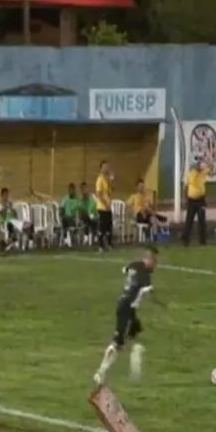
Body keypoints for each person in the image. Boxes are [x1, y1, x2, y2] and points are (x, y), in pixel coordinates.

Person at [94, 245, 161, 385]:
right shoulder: (145, 277)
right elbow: (150, 294)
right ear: (147, 259)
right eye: (154, 261)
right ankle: (101, 372)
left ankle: (134, 359)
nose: (156, 265)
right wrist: (160, 304)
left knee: (136, 332)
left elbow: (124, 270)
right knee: (117, 342)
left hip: (126, 306)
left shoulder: (133, 265)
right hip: (126, 308)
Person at [182, 159, 209, 246]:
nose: (200, 167)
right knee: (189, 220)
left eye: (200, 165)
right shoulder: (190, 174)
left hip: (201, 200)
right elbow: (185, 187)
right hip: (192, 200)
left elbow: (211, 168)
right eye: (198, 165)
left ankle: (203, 240)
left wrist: (208, 162)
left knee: (202, 220)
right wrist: (185, 199)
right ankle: (185, 239)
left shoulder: (203, 173)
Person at [95, 160, 114, 252]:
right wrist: (105, 203)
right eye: (104, 167)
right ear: (101, 168)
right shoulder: (100, 179)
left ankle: (109, 244)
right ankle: (100, 246)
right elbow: (99, 193)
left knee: (109, 227)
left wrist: (111, 181)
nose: (106, 168)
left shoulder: (107, 179)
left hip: (108, 207)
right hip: (102, 207)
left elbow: (112, 189)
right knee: (102, 227)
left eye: (107, 166)